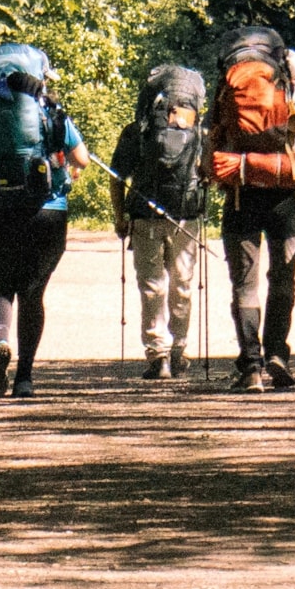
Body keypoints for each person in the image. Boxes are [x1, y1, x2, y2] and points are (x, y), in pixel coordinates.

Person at [0, 41, 90, 400]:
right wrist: (64, 171)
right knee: (33, 294)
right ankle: (25, 380)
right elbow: (82, 158)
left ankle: (1, 341)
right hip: (48, 211)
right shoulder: (49, 110)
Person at [207, 25, 295, 391]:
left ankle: (251, 367)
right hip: (284, 196)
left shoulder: (227, 91)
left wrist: (212, 177)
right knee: (283, 278)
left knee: (245, 284)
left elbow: (211, 145)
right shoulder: (291, 92)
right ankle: (277, 353)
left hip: (241, 194)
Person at [107, 62, 211, 381]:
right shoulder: (199, 131)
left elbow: (117, 176)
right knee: (182, 285)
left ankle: (158, 356)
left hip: (143, 214)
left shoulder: (137, 129)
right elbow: (209, 173)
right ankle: (180, 351)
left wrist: (119, 215)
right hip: (185, 217)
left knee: (152, 286)